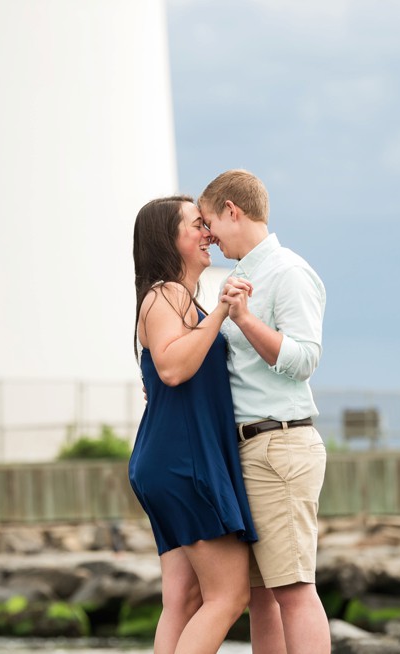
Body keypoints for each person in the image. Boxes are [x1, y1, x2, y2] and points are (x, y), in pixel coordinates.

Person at [198, 170, 330, 654]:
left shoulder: (288, 272)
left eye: (210, 221)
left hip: (280, 445)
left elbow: (303, 360)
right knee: (261, 596)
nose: (208, 235)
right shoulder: (238, 277)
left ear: (233, 209)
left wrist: (246, 319)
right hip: (247, 451)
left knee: (293, 591)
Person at [128, 194, 258, 654]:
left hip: (164, 458)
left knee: (182, 600)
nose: (208, 233)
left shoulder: (172, 299)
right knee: (228, 596)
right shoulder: (168, 294)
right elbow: (173, 369)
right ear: (168, 239)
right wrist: (222, 311)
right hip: (184, 462)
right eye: (196, 225)